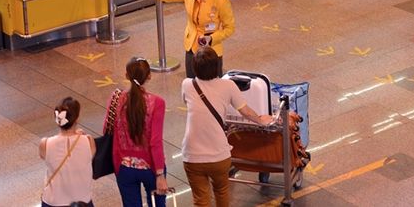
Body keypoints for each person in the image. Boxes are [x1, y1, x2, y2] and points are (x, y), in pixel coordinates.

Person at [181, 47, 274, 207]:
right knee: (221, 192)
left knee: (200, 200)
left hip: (192, 155)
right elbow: (245, 111)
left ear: (194, 67)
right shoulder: (228, 86)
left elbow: (188, 103)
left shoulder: (187, 85)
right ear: (217, 66)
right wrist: (261, 120)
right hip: (219, 155)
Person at [121, 0, 234, 78]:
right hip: (192, 49)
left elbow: (229, 28)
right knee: (192, 87)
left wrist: (211, 39)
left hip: (212, 53)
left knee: (214, 91)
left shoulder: (221, 0)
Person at [106, 57, 168, 207]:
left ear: (126, 75)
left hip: (124, 166)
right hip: (150, 167)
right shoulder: (157, 102)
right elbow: (155, 141)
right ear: (149, 76)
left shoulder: (116, 99)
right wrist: (160, 174)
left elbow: (108, 131)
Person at [40, 97, 96, 207]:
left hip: (53, 201)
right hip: (82, 200)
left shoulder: (45, 144)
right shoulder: (88, 141)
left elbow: (44, 156)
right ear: (77, 119)